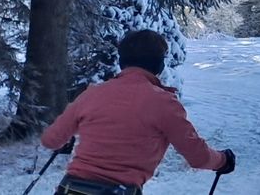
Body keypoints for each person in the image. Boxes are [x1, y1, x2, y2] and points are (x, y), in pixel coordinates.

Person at [40, 30, 235, 194]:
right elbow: (198, 157)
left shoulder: (91, 94)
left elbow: (50, 140)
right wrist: (223, 160)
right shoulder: (164, 103)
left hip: (72, 189)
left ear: (122, 61)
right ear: (159, 64)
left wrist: (67, 138)